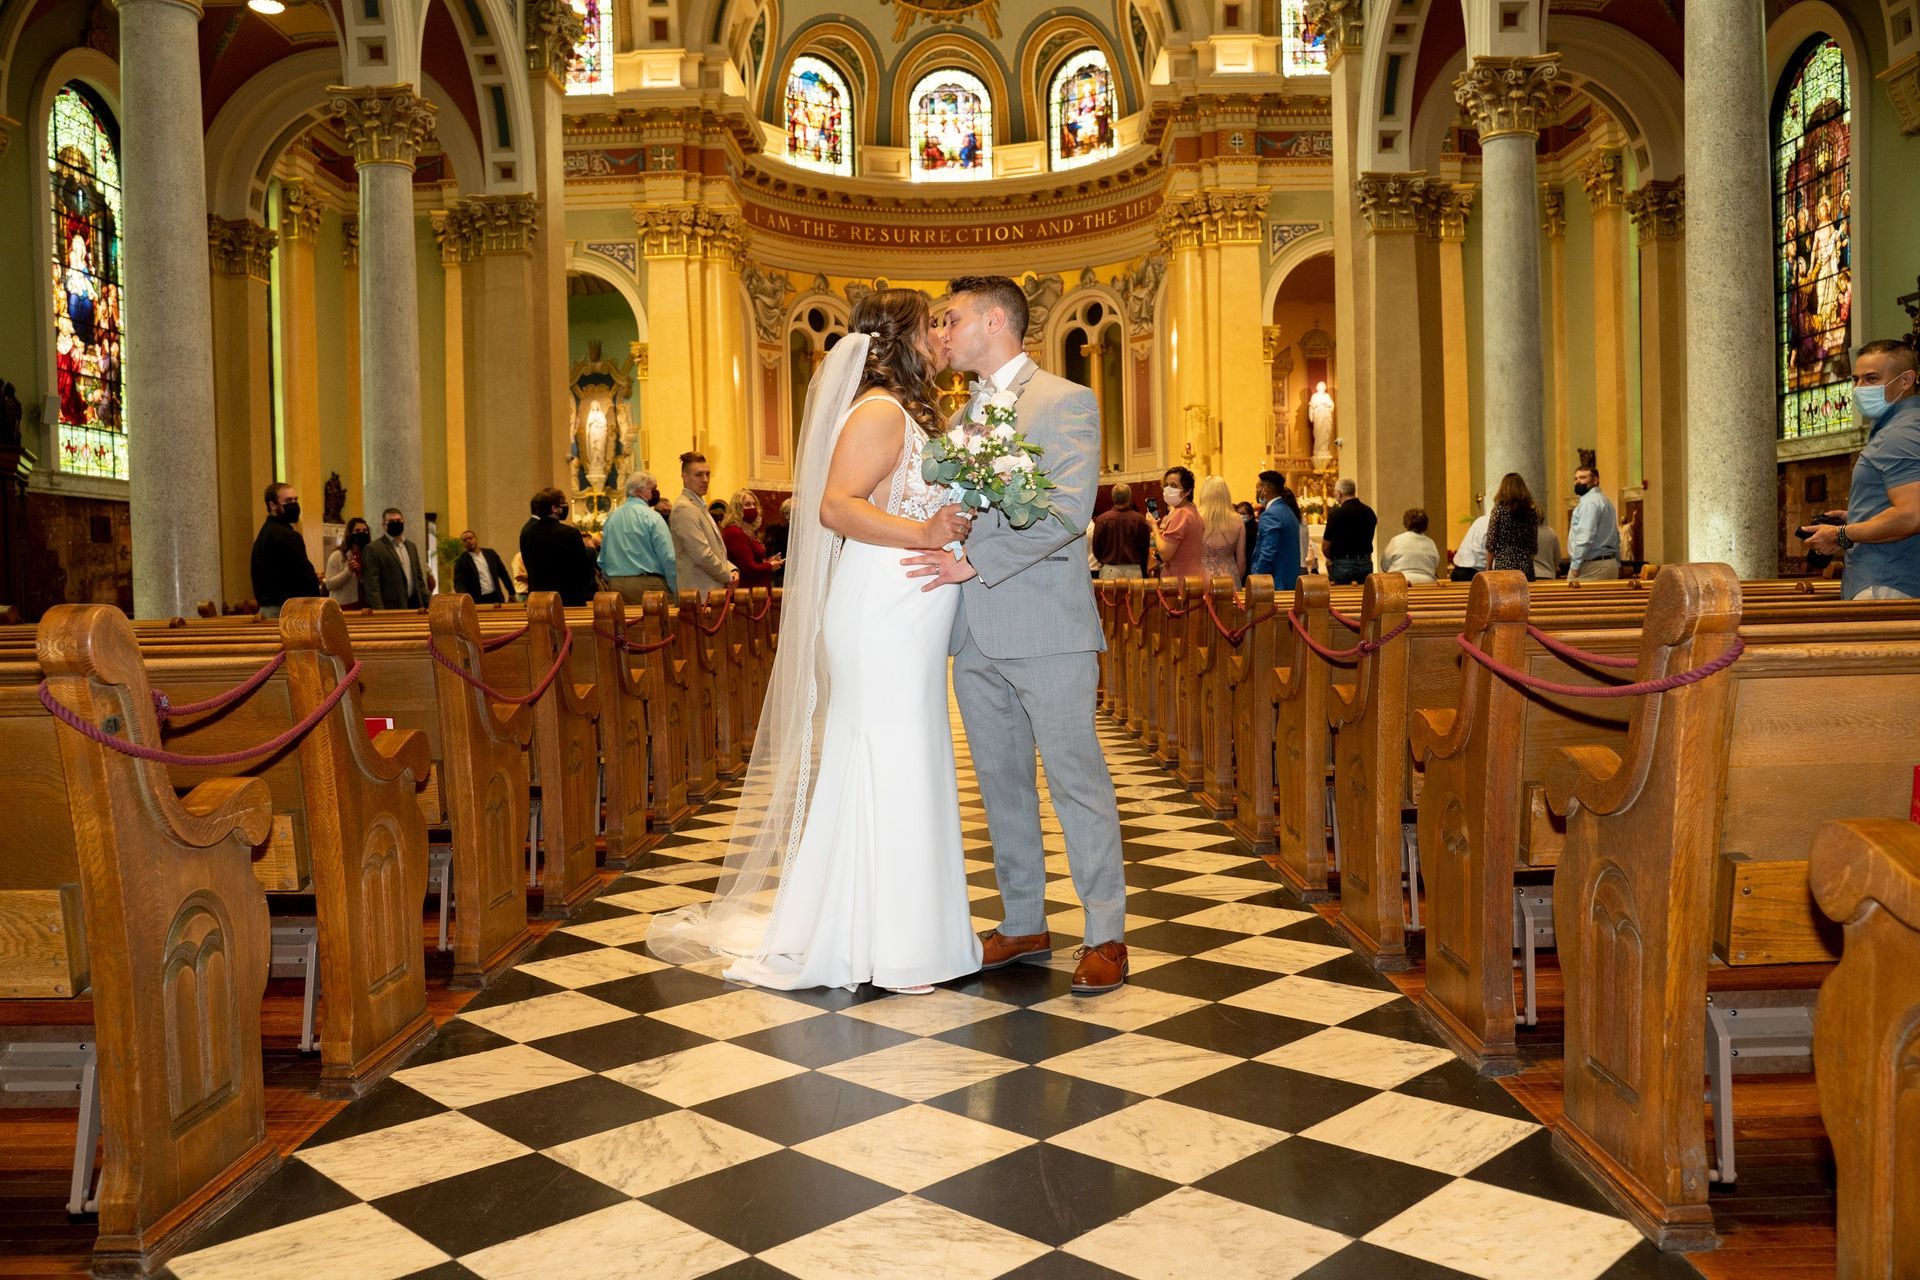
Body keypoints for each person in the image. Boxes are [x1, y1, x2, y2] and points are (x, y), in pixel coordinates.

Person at [648, 287, 979, 995]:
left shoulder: (911, 413)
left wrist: (949, 534)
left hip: (911, 607)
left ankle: (903, 931)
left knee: (907, 751)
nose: (942, 338)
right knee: (887, 753)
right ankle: (882, 941)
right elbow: (836, 506)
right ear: (900, 340)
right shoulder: (881, 411)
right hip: (881, 606)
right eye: (932, 327)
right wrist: (924, 533)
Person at [902, 273, 1129, 994]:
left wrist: (976, 560)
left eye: (953, 319)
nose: (942, 332)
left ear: (996, 320)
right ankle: (1025, 919)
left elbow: (1067, 509)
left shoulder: (1066, 401)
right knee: (1000, 784)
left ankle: (1107, 934)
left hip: (1046, 625)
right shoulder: (962, 413)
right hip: (974, 632)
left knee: (1075, 782)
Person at [1802, 338, 1920, 598]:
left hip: (1888, 580)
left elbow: (1912, 515)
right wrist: (1860, 515)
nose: (1859, 388)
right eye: (1856, 380)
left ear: (1905, 380)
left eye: (1871, 379)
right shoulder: (1909, 426)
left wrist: (1841, 535)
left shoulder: (1898, 435)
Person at [598, 472, 678, 603]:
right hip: (648, 586)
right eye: (653, 489)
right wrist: (675, 588)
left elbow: (603, 558)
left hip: (616, 585)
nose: (656, 492)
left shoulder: (612, 517)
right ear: (640, 491)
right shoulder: (652, 517)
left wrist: (612, 579)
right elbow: (668, 557)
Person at [520, 486, 600, 607]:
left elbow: (528, 565)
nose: (565, 506)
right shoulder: (569, 533)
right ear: (554, 508)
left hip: (539, 600)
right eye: (562, 504)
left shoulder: (528, 533)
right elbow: (582, 570)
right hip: (568, 599)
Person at [250, 481, 321, 618]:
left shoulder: (265, 533)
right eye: (288, 501)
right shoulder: (285, 535)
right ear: (272, 505)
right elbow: (304, 574)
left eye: (296, 500)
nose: (294, 505)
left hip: (269, 609)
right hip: (285, 611)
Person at [671, 451, 738, 594]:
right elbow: (702, 554)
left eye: (707, 474)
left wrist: (732, 568)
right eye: (699, 474)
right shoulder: (684, 508)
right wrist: (727, 575)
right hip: (698, 594)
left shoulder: (699, 505)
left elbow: (716, 550)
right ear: (685, 478)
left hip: (711, 591)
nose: (705, 479)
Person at [363, 507, 430, 610]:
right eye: (391, 521)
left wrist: (427, 602)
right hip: (390, 607)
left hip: (414, 604)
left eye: (398, 521)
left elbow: (419, 578)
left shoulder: (411, 546)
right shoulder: (374, 548)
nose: (396, 523)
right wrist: (380, 612)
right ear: (384, 525)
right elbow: (372, 586)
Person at [1567, 460, 1622, 579]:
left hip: (1591, 565)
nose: (1578, 482)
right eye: (1576, 478)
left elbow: (1585, 537)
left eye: (1583, 478)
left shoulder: (1589, 503)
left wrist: (1575, 565)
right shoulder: (1605, 501)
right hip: (1607, 563)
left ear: (1595, 480)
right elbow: (1616, 536)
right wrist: (1617, 562)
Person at [1249, 471, 1303, 590]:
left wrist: (1256, 581)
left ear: (1265, 489)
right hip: (1289, 582)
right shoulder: (1288, 511)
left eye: (1257, 488)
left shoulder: (1270, 515)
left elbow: (1267, 553)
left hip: (1274, 585)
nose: (1256, 492)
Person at [1147, 465, 1203, 581]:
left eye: (1174, 486)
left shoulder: (1181, 514)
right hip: (1194, 577)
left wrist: (1154, 526)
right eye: (1166, 485)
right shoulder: (1192, 511)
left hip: (1181, 580)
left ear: (1187, 491)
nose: (1168, 489)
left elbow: (1165, 554)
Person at [721, 489, 785, 589]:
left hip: (758, 588)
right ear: (737, 509)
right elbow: (749, 567)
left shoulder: (749, 531)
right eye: (747, 504)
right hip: (746, 592)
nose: (753, 507)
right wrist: (770, 566)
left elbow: (755, 560)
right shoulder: (734, 532)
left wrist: (768, 561)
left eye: (754, 504)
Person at [1321, 478, 1377, 584]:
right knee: (1364, 597)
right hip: (1365, 563)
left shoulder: (1336, 514)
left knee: (1341, 596)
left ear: (1339, 493)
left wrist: (1333, 558)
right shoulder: (1369, 512)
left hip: (1343, 565)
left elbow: (1325, 546)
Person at [1090, 482, 1150, 579]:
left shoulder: (1101, 520)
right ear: (1130, 498)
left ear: (1113, 498)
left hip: (1110, 570)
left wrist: (1105, 561)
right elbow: (1144, 548)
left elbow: (1096, 548)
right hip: (1134, 570)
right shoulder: (1140, 519)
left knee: (1108, 595)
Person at [1487, 473, 1541, 579]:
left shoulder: (1498, 511)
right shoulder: (1531, 512)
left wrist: (1488, 567)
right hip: (1525, 565)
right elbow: (1533, 544)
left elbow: (1491, 543)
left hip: (1503, 565)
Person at [1194, 475, 1247, 585]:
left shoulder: (1195, 517)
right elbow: (1241, 561)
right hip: (1230, 579)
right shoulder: (1238, 520)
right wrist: (1237, 579)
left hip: (1201, 581)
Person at [1382, 508, 1441, 584]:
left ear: (1405, 524)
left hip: (1399, 583)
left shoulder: (1396, 540)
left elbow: (1384, 565)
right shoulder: (1430, 542)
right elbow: (1435, 564)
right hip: (1426, 583)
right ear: (1425, 526)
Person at [323, 516, 371, 609]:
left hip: (364, 604)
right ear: (350, 533)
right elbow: (329, 585)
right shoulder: (337, 555)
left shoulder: (368, 554)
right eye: (357, 531)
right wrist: (348, 571)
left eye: (364, 531)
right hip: (343, 605)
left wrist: (361, 572)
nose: (361, 533)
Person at [453, 529, 512, 604]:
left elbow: (503, 573)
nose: (468, 541)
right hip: (477, 600)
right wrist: (464, 600)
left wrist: (511, 592)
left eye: (470, 538)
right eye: (465, 540)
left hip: (496, 597)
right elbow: (459, 583)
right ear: (463, 544)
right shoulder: (461, 561)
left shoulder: (490, 554)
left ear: (476, 539)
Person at [1451, 511, 1489, 582]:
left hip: (1458, 569)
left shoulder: (1481, 520)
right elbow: (1490, 550)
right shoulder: (1495, 524)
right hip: (1474, 572)